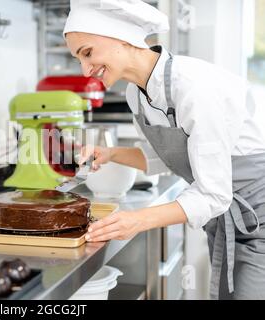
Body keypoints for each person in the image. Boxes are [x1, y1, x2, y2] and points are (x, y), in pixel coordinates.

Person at [64, 0, 265, 299]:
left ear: (120, 36)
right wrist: (111, 153)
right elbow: (166, 157)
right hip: (223, 220)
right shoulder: (137, 94)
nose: (85, 70)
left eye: (87, 53)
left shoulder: (194, 87)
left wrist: (137, 220)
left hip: (258, 219)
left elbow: (214, 193)